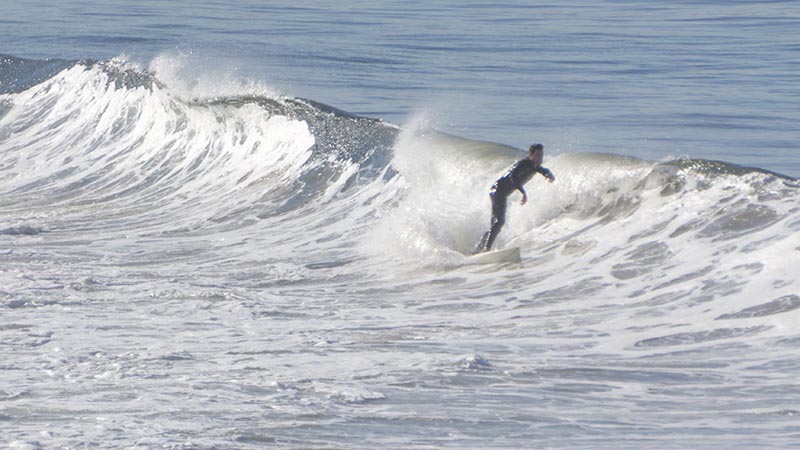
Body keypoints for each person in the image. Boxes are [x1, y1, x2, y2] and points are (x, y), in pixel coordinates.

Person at [474, 143, 555, 253]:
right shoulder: (524, 163)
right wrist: (523, 192)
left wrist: (549, 175)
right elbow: (513, 177)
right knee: (499, 222)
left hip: (500, 193)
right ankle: (486, 248)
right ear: (530, 155)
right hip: (498, 191)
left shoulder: (535, 166)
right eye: (537, 154)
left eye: (541, 154)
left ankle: (478, 249)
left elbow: (544, 170)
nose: (540, 157)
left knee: (496, 224)